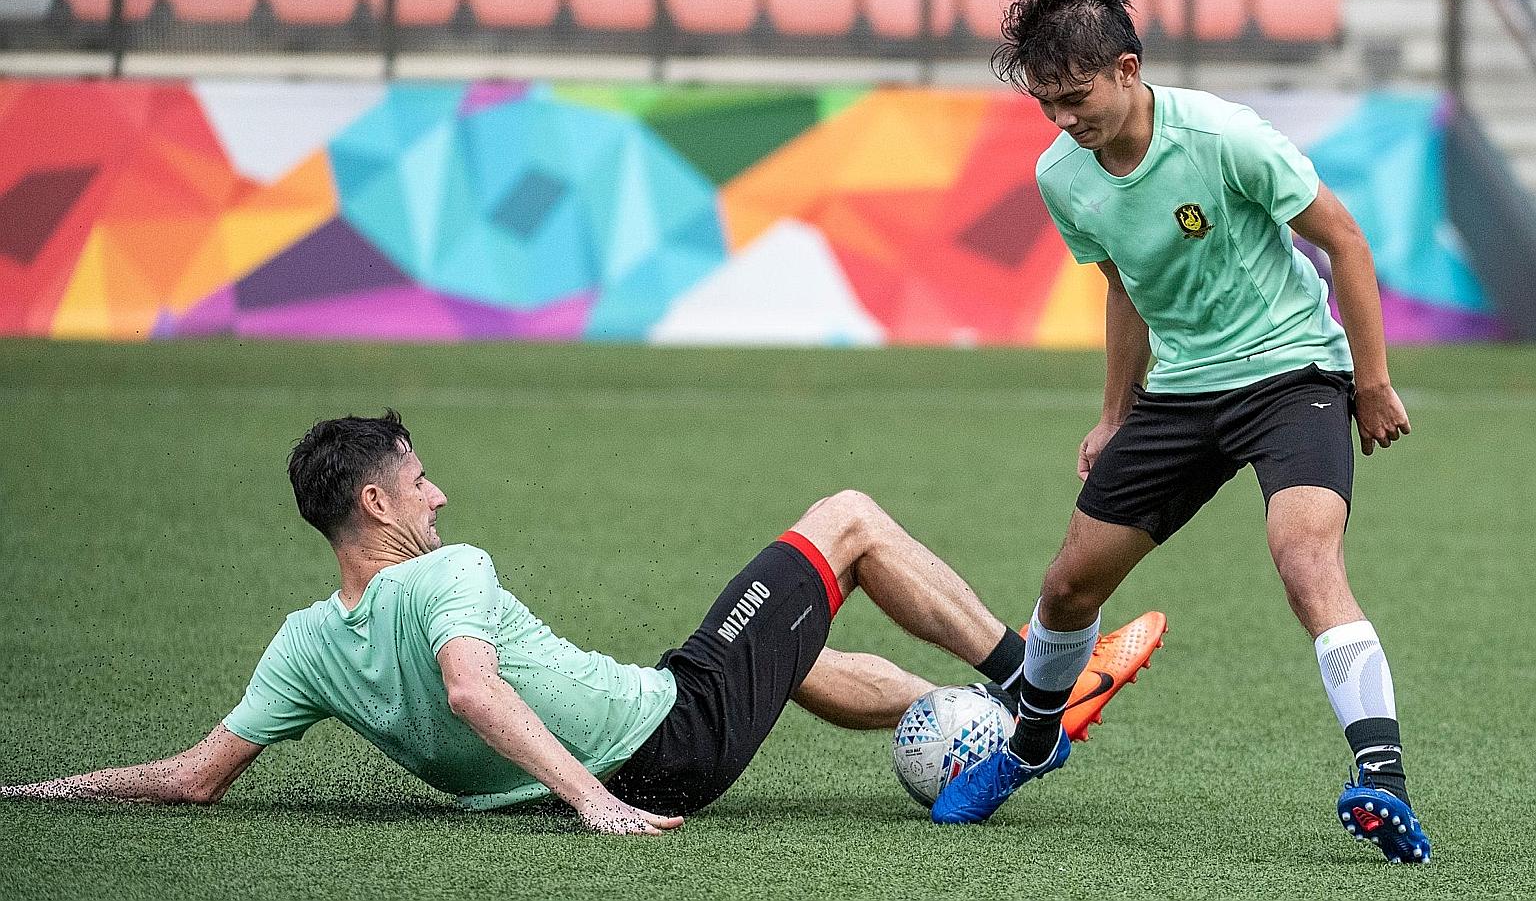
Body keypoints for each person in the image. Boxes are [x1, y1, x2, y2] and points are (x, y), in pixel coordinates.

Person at [1, 410, 1161, 833]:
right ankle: (1032, 689)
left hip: (669, 723)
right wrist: (595, 799)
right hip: (661, 740)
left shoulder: (307, 639)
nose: (438, 494)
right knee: (847, 515)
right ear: (375, 502)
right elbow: (468, 685)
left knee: (790, 651)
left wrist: (48, 788)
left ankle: (973, 733)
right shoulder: (445, 577)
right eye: (418, 481)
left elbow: (197, 775)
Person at [931, 0, 1431, 866]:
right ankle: (1034, 741)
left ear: (1126, 69)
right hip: (1181, 390)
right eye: (1047, 104)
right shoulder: (1062, 175)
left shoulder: (1225, 136)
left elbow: (1345, 242)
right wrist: (1115, 413)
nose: (1063, 121)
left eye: (1075, 98)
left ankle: (1382, 782)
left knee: (1304, 557)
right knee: (1067, 587)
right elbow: (1124, 285)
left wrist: (1371, 380)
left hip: (1291, 374)